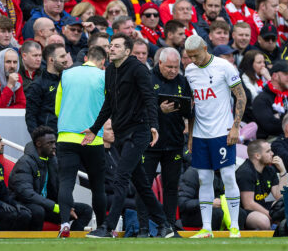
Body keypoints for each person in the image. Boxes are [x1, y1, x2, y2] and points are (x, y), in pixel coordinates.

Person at [82, 33, 173, 238]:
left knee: (121, 178)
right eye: (110, 46)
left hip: (138, 132)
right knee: (141, 184)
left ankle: (107, 227)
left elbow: (150, 98)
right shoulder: (110, 71)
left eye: (115, 46)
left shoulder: (138, 69)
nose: (111, 49)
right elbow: (109, 104)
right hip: (122, 133)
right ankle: (164, 224)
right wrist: (95, 128)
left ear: (127, 51)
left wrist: (153, 126)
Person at [184, 34, 247, 238]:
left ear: (205, 47)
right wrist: (191, 135)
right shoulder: (190, 71)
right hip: (201, 134)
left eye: (196, 55)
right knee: (204, 178)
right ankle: (207, 228)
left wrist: (235, 127)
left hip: (222, 131)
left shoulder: (224, 67)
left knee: (228, 175)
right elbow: (193, 105)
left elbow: (241, 96)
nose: (193, 60)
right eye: (189, 56)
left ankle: (235, 226)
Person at [136, 47, 192, 237]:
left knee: (171, 187)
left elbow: (190, 112)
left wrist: (186, 108)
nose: (173, 71)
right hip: (149, 143)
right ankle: (143, 228)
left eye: (176, 67)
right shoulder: (147, 79)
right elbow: (136, 110)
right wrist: (159, 110)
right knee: (144, 186)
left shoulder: (183, 81)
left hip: (174, 142)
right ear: (159, 63)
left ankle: (168, 226)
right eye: (169, 67)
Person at [54, 46, 107, 237]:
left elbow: (58, 109)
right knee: (97, 186)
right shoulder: (103, 77)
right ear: (103, 62)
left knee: (66, 183)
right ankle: (102, 227)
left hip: (66, 136)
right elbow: (109, 107)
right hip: (93, 138)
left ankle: (64, 224)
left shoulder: (67, 74)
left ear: (85, 58)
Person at [9, 126, 93, 232]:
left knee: (85, 210)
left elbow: (60, 188)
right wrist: (55, 207)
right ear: (38, 144)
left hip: (47, 206)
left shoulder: (53, 161)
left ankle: (71, 242)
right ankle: (35, 244)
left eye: (54, 143)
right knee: (38, 211)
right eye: (50, 143)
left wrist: (67, 205)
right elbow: (27, 194)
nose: (54, 146)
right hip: (25, 204)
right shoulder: (25, 163)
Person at [236, 139, 288, 229]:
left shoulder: (269, 170)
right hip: (244, 211)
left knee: (284, 205)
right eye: (268, 151)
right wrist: (269, 215)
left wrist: (283, 171)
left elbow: (279, 196)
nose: (272, 153)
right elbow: (248, 204)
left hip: (261, 206)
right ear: (257, 155)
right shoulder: (246, 172)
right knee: (264, 221)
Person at [178, 166, 247, 230]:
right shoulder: (193, 173)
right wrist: (208, 204)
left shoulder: (225, 172)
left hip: (219, 211)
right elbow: (183, 203)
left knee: (240, 213)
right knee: (218, 214)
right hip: (193, 215)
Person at [25, 43, 67, 134]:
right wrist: (38, 139)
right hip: (49, 137)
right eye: (62, 56)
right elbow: (31, 116)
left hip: (68, 135)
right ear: (51, 60)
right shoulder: (38, 85)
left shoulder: (69, 81)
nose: (66, 60)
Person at [252, 60, 288, 139]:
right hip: (272, 141)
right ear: (275, 76)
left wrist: (280, 117)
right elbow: (271, 127)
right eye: (286, 74)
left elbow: (276, 123)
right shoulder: (261, 99)